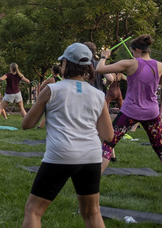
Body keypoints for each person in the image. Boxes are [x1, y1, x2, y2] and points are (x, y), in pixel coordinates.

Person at [20, 43, 113, 228]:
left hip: (60, 154)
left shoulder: (53, 89)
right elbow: (108, 135)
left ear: (66, 63)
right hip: (91, 156)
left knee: (33, 211)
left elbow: (27, 124)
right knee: (92, 213)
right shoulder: (98, 94)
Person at [97, 35, 162, 172]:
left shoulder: (130, 63)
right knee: (160, 147)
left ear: (137, 50)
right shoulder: (159, 65)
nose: (132, 54)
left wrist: (104, 57)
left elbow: (100, 69)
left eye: (133, 52)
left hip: (130, 112)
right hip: (152, 112)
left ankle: (92, 182)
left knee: (108, 143)